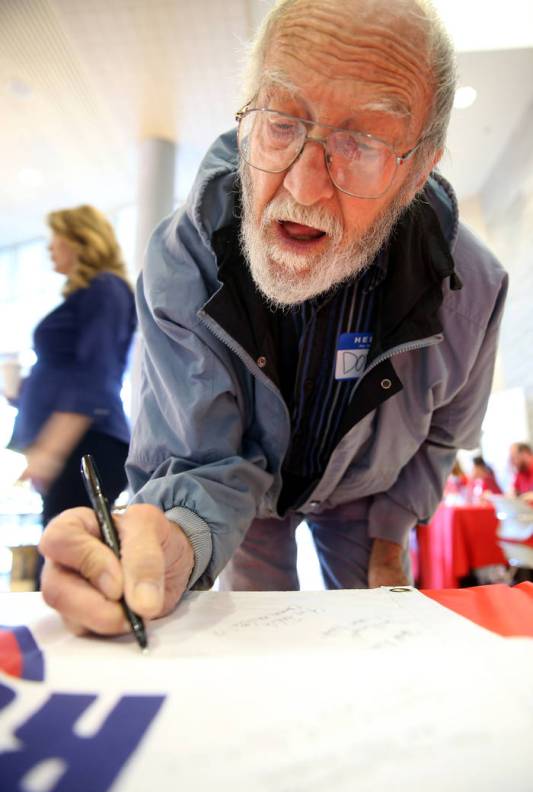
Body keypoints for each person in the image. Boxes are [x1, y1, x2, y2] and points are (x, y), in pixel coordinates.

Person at [39, 0, 508, 637]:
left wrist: (392, 529)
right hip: (242, 496)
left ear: (418, 170)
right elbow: (197, 463)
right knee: (254, 634)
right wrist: (174, 540)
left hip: (368, 497)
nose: (305, 186)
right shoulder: (185, 259)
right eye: (281, 121)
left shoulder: (469, 286)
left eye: (362, 142)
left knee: (379, 634)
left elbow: (445, 433)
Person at [8, 205, 136, 583]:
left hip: (88, 441)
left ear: (79, 239)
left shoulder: (106, 288)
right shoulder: (89, 294)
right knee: (62, 554)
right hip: (76, 441)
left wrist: (51, 448)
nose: (50, 248)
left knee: (64, 557)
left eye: (55, 238)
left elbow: (96, 374)